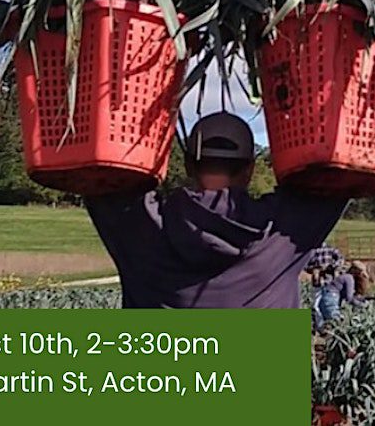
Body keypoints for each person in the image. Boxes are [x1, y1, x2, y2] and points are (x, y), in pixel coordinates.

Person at [84, 112, 348, 308]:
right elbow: (340, 164)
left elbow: (94, 164)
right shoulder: (283, 230)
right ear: (250, 169)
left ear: (187, 166)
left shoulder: (138, 228)